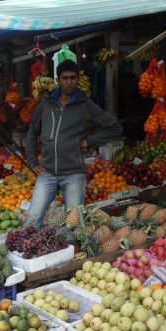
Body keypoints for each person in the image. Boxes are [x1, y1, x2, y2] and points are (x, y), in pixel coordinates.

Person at [25, 60, 122, 227]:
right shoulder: (46, 105)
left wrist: (89, 141)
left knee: (74, 226)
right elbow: (32, 133)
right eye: (65, 78)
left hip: (73, 174)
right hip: (47, 173)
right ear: (58, 80)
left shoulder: (85, 105)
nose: (69, 82)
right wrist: (32, 162)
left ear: (77, 79)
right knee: (31, 222)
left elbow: (115, 128)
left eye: (73, 78)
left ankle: (70, 252)